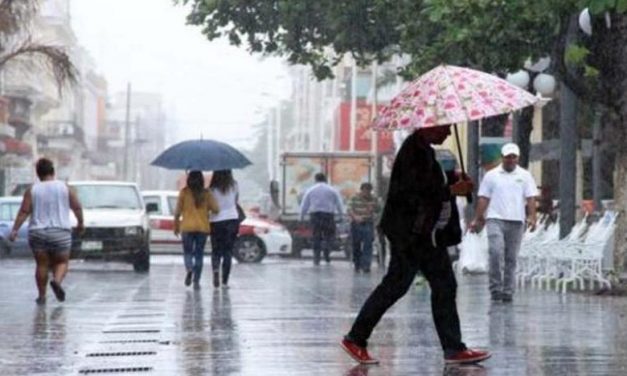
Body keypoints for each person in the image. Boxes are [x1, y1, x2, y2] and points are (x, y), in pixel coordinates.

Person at [341, 126, 490, 365]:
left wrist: (453, 178)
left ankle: (453, 348)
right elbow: (416, 192)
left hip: (427, 234)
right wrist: (451, 189)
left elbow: (430, 180)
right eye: (445, 128)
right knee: (396, 285)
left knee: (444, 285)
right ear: (430, 126)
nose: (449, 134)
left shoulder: (425, 151)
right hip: (410, 234)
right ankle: (356, 338)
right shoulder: (413, 151)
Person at [9, 158, 84, 305]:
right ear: (53, 172)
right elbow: (77, 207)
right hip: (60, 232)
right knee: (62, 261)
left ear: (38, 174)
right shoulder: (65, 188)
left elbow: (24, 211)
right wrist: (81, 223)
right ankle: (56, 281)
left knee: (41, 264)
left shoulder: (32, 190)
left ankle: (42, 296)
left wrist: (15, 230)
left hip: (38, 233)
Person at [470, 143, 538, 302]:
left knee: (511, 257)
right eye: (507, 157)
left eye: (513, 157)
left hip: (516, 220)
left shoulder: (525, 176)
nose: (510, 160)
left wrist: (532, 217)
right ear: (502, 157)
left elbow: (530, 198)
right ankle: (495, 288)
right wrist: (478, 217)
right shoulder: (491, 176)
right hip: (495, 219)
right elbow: (483, 198)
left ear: (518, 158)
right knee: (495, 252)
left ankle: (508, 290)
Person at [174, 170, 220, 290]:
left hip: (187, 227)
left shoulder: (184, 192)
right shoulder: (206, 193)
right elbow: (216, 209)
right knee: (198, 254)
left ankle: (189, 269)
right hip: (202, 228)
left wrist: (176, 226)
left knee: (188, 253)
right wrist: (207, 209)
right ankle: (196, 281)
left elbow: (177, 211)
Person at [299, 173, 345, 265]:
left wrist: (301, 217)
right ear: (326, 180)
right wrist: (341, 216)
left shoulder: (310, 190)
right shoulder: (332, 190)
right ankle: (327, 251)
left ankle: (316, 258)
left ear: (315, 180)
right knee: (330, 235)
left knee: (316, 236)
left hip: (315, 216)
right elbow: (339, 204)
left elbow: (304, 204)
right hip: (328, 216)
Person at [209, 170, 240, 288]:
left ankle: (216, 270)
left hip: (216, 221)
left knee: (216, 250)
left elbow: (210, 205)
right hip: (232, 219)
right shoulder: (234, 185)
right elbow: (236, 200)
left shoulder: (212, 188)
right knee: (228, 251)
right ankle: (224, 282)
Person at [348, 182, 381, 273]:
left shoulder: (373, 199)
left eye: (369, 191)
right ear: (361, 190)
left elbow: (379, 210)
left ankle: (366, 265)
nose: (367, 193)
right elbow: (349, 209)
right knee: (356, 244)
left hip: (368, 223)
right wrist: (355, 217)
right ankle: (357, 264)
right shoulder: (354, 198)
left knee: (368, 244)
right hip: (356, 223)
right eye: (365, 191)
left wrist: (373, 210)